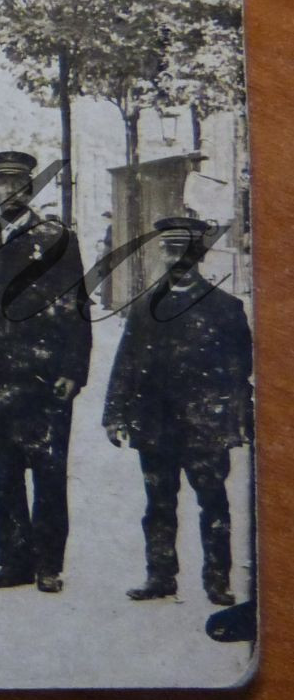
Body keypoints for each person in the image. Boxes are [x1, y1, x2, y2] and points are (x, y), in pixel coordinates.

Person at [0, 151, 92, 594]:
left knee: (49, 472)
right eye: (0, 184)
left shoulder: (55, 236)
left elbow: (77, 307)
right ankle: (13, 561)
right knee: (5, 472)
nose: (8, 191)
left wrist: (73, 370)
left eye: (17, 184)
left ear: (30, 189)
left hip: (44, 377)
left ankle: (48, 564)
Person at [104, 216, 253, 606]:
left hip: (205, 425)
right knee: (158, 504)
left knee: (213, 502)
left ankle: (217, 581)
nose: (177, 258)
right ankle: (160, 575)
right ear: (161, 253)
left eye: (185, 250)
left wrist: (237, 421)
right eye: (170, 250)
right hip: (154, 424)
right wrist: (115, 414)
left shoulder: (225, 308)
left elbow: (241, 371)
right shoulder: (144, 308)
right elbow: (125, 364)